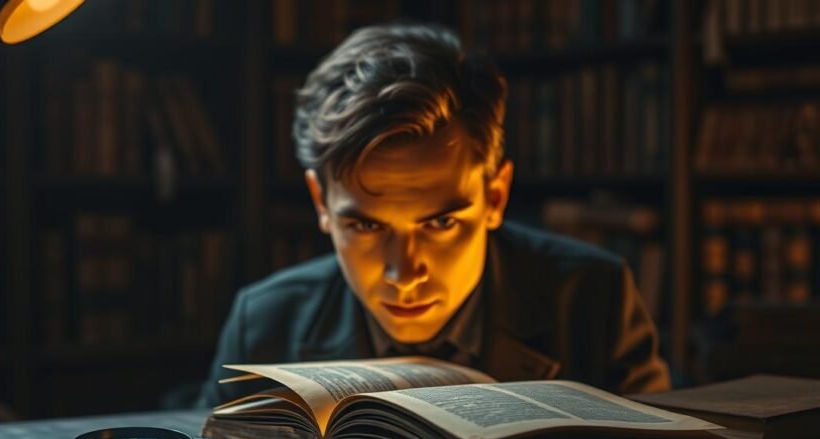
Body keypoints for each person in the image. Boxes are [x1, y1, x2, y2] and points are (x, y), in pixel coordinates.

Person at [197, 22, 670, 407]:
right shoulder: (263, 324)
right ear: (321, 203)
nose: (403, 274)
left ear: (496, 196)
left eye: (440, 222)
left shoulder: (593, 298)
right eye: (365, 225)